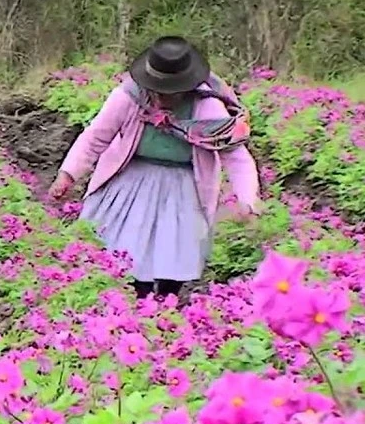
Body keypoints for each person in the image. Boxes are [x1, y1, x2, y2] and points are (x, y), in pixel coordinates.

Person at [49, 36, 260, 300]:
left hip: (184, 185)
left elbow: (236, 156)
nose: (163, 97)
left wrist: (247, 200)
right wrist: (67, 175)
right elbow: (95, 138)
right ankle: (137, 300)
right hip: (132, 179)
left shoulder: (207, 107)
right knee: (127, 246)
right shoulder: (129, 97)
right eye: (159, 90)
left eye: (171, 91)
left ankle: (166, 301)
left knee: (174, 249)